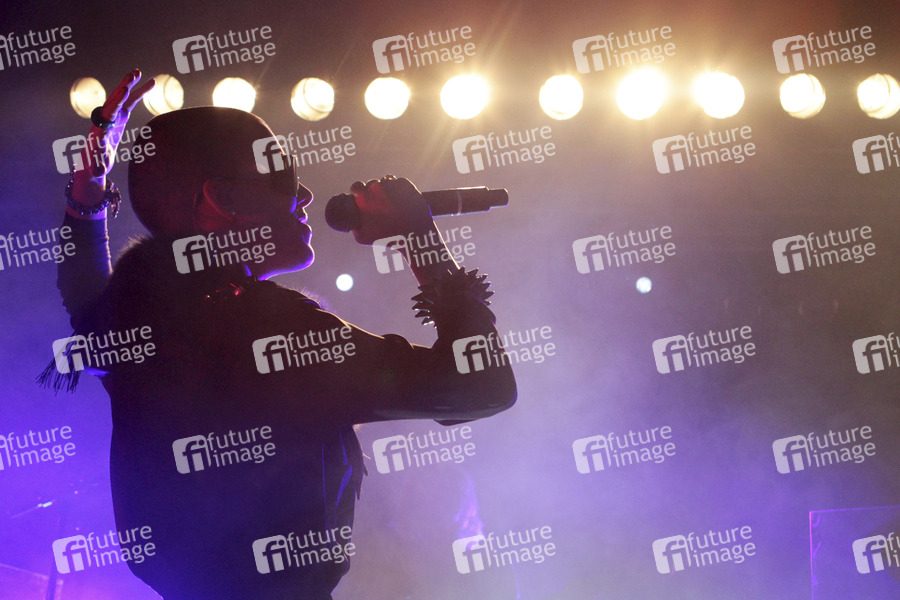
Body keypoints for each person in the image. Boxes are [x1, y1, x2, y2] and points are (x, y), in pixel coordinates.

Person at [48, 69, 516, 599]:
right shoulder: (272, 331)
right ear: (223, 199)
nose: (306, 193)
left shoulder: (139, 317)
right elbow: (480, 385)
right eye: (280, 173)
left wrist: (88, 192)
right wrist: (418, 234)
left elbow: (83, 290)